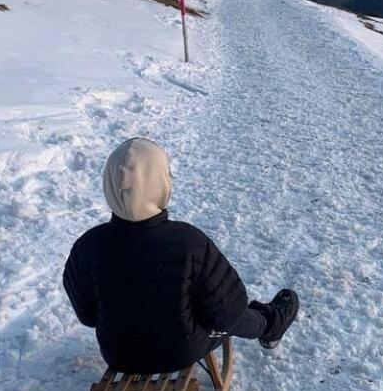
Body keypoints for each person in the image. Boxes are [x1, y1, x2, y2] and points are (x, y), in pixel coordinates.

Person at [63, 137, 299, 375]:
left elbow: (88, 315)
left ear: (110, 185)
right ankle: (270, 324)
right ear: (160, 183)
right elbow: (228, 313)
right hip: (182, 349)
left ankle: (267, 324)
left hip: (119, 353)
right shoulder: (189, 242)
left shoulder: (87, 247)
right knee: (224, 318)